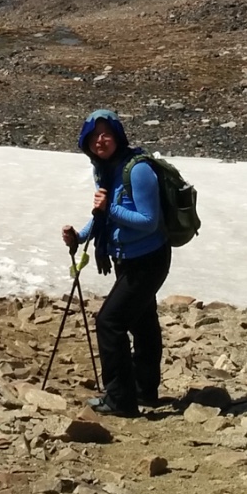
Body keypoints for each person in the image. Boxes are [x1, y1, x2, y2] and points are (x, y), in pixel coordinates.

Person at [60, 108, 169, 417]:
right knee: (142, 322)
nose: (100, 140)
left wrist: (110, 210)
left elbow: (148, 221)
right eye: (94, 135)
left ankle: (120, 399)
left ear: (118, 136)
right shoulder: (106, 171)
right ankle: (144, 390)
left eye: (106, 133)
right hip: (129, 259)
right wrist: (80, 238)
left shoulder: (138, 171)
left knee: (110, 322)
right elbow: (102, 217)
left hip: (148, 260)